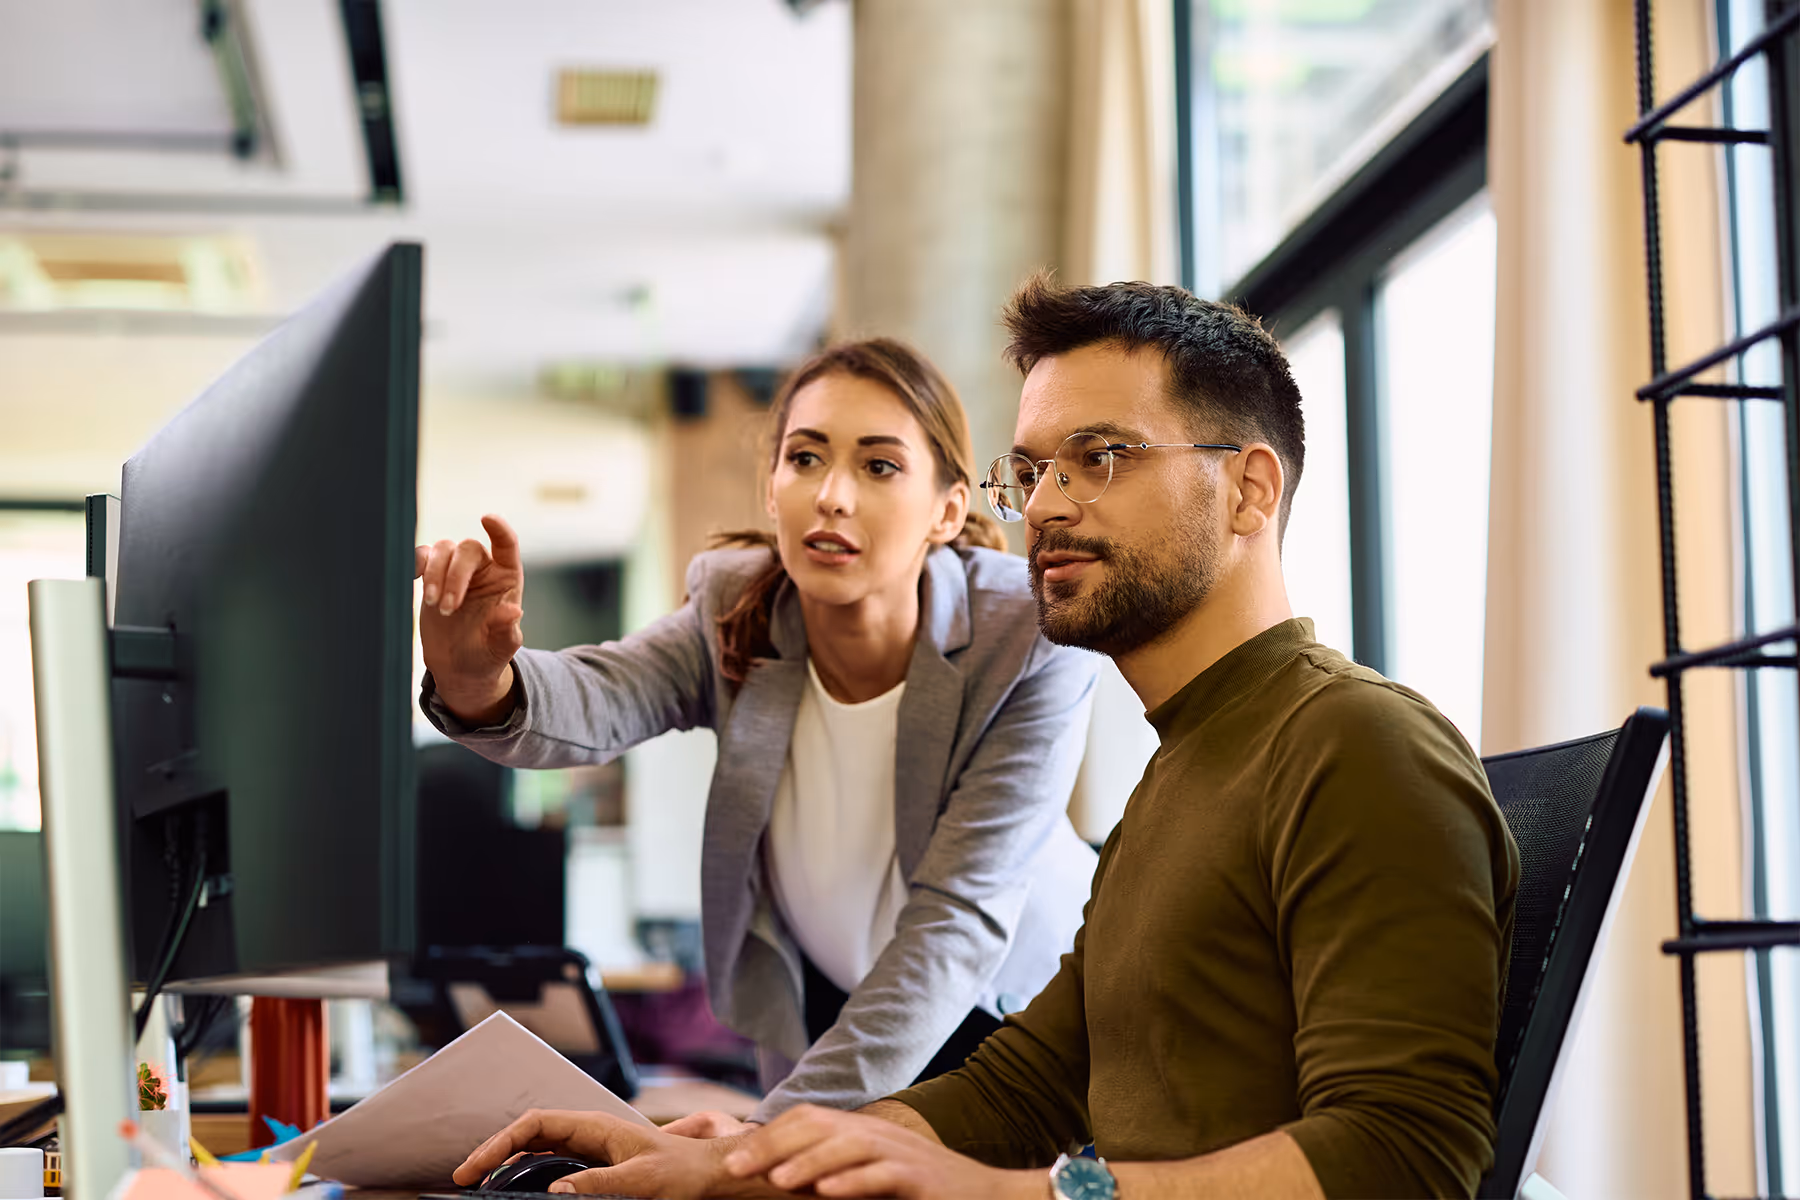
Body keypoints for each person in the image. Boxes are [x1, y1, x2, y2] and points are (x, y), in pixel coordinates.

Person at [452, 277, 1520, 1200]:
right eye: (1036, 469)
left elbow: (1405, 1159)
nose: (1048, 505)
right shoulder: (1178, 774)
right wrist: (736, 1163)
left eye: (1099, 457)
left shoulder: (1358, 743)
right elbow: (1026, 1085)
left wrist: (1028, 1190)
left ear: (1248, 489)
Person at [414, 337, 1099, 1125]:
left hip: (1012, 1022)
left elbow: (958, 923)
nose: (832, 495)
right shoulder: (737, 609)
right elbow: (603, 695)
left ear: (946, 510)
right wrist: (480, 681)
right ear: (772, 490)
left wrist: (760, 1140)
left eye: (879, 466)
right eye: (804, 459)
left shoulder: (1026, 636)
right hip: (832, 1016)